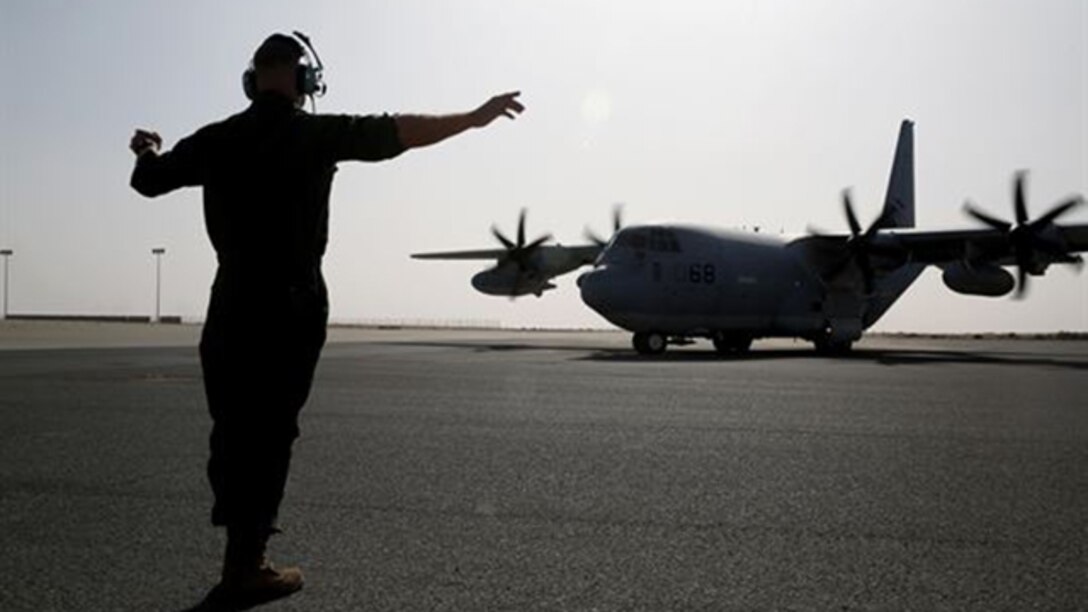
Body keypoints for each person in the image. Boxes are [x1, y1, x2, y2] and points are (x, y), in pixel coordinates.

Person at [129, 32, 523, 609]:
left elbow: (149, 180)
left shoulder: (216, 139)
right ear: (303, 78)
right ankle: (247, 566)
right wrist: (471, 117)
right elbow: (400, 131)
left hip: (231, 301)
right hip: (290, 304)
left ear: (253, 78)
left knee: (234, 429)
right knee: (271, 432)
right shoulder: (314, 133)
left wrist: (145, 149)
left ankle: (240, 558)